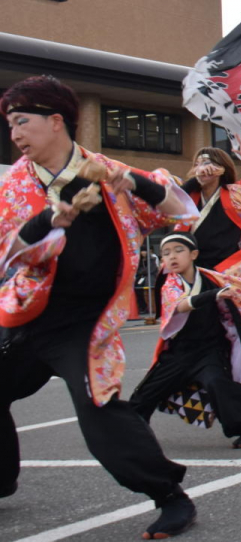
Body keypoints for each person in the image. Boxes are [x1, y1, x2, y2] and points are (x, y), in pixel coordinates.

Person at [0, 75, 199, 538]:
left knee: (99, 409)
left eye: (21, 122)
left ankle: (170, 495)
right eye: (10, 125)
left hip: (85, 323)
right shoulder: (15, 186)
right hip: (29, 313)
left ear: (55, 121)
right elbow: (10, 253)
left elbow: (179, 212)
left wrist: (130, 180)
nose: (15, 134)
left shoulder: (107, 171)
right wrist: (51, 220)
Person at [131, 232, 241, 448]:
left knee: (219, 383)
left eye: (178, 250)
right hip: (178, 353)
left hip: (209, 350)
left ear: (194, 254)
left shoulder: (214, 279)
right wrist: (213, 296)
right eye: (166, 253)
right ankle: (132, 430)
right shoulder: (169, 284)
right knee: (147, 392)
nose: (172, 257)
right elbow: (178, 305)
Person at [176, 139, 241, 407]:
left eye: (210, 163)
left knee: (232, 325)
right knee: (212, 328)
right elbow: (169, 204)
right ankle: (238, 380)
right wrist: (194, 183)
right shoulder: (189, 196)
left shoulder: (235, 193)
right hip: (196, 271)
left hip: (228, 269)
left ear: (223, 169)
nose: (203, 167)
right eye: (198, 163)